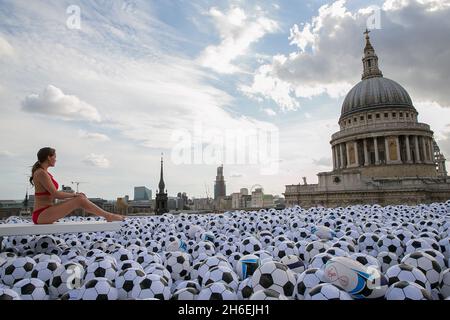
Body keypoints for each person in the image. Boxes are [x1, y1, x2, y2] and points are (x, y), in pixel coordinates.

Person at [29, 147, 125, 224]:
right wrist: (75, 195)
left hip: (46, 212)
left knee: (80, 199)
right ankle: (108, 216)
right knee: (79, 199)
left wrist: (76, 195)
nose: (55, 159)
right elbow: (56, 194)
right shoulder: (41, 173)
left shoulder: (44, 172)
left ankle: (108, 215)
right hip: (42, 214)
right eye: (54, 156)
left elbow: (55, 194)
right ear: (49, 157)